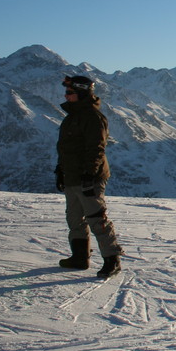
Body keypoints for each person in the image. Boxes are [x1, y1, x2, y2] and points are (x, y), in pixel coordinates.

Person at [55, 75, 124, 279]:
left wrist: (89, 174)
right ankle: (79, 257)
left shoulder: (93, 117)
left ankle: (112, 260)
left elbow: (97, 148)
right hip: (72, 174)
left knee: (96, 217)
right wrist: (61, 169)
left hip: (89, 176)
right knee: (74, 217)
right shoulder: (72, 116)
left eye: (70, 92)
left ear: (82, 93)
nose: (66, 96)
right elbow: (66, 148)